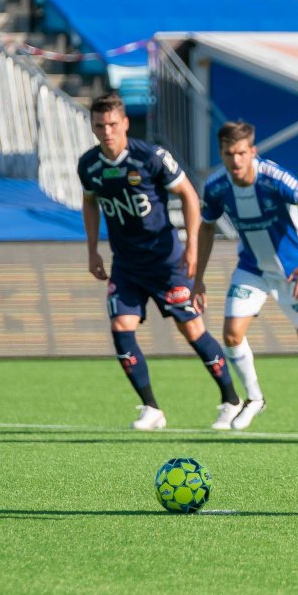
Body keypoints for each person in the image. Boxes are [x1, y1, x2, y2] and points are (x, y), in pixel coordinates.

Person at [78, 92, 239, 431]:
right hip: (126, 264)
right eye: (99, 126)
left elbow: (189, 195)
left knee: (192, 329)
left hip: (166, 263)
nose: (106, 132)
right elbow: (90, 202)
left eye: (112, 124)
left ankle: (231, 400)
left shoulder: (150, 157)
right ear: (92, 127)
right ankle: (152, 408)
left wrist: (192, 246)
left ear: (125, 123)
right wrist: (92, 249)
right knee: (121, 327)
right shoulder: (89, 165)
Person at [192, 122, 298, 434]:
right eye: (228, 154)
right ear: (221, 153)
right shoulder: (216, 187)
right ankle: (255, 398)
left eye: (241, 153)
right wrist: (198, 278)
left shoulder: (276, 179)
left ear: (253, 152)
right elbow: (207, 226)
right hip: (253, 269)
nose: (235, 161)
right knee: (231, 334)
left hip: (294, 271)